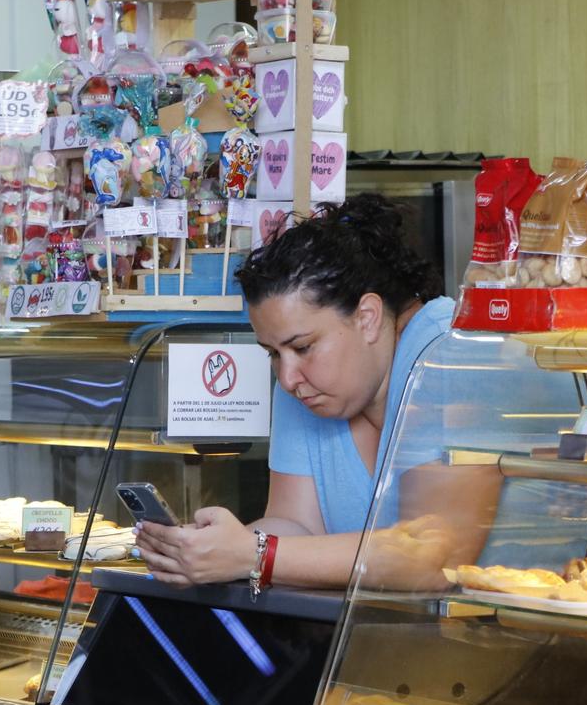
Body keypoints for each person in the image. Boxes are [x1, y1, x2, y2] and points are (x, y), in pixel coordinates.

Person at [134, 193, 498, 590]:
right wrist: (211, 549)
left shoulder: (452, 356)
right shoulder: (306, 384)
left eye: (303, 347)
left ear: (368, 318)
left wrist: (254, 554)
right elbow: (296, 526)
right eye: (273, 353)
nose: (287, 378)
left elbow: (435, 560)